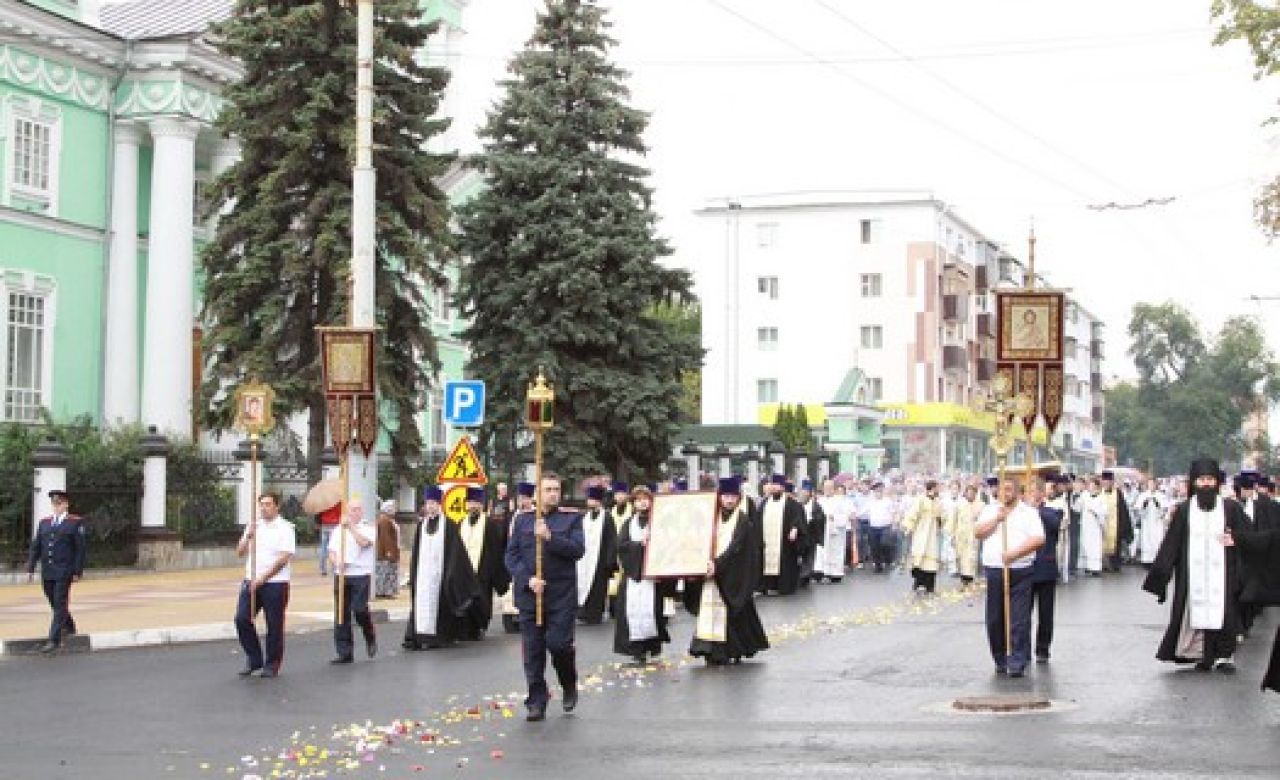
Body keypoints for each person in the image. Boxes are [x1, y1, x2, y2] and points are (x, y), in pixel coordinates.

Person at [1143, 457, 1245, 673]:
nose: (1206, 484)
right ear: (1194, 483)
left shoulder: (1230, 508)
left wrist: (1237, 539)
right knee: (1196, 614)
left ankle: (1225, 656)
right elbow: (1171, 544)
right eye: (1201, 480)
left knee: (1225, 613)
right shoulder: (1184, 510)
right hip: (1193, 574)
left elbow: (1248, 536)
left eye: (1210, 479)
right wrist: (1161, 578)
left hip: (1224, 574)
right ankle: (1205, 655)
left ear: (1217, 482)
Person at [504, 473, 585, 722]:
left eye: (556, 489)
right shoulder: (523, 521)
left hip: (561, 596)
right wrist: (527, 579)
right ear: (537, 493)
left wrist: (551, 537)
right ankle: (536, 701)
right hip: (530, 596)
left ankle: (568, 682)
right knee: (533, 651)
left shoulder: (571, 519)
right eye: (548, 489)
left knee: (559, 645)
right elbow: (511, 557)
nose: (553, 493)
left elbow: (577, 550)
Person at [686, 477, 770, 665]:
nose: (729, 500)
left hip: (734, 574)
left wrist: (718, 564)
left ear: (738, 498)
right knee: (709, 609)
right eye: (725, 496)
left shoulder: (742, 520)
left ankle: (735, 648)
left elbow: (737, 547)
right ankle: (710, 650)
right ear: (719, 497)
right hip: (710, 572)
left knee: (734, 610)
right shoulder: (710, 517)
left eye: (733, 497)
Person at [974, 478, 1045, 678]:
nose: (1004, 493)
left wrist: (1015, 554)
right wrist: (997, 519)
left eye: (1009, 489)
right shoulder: (990, 510)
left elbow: (1038, 538)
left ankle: (1017, 659)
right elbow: (978, 532)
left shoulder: (1028, 512)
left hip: (1020, 569)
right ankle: (999, 657)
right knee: (995, 618)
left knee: (1018, 618)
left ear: (1017, 491)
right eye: (1001, 489)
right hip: (995, 570)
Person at [402, 487, 484, 651]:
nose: (431, 507)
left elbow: (456, 553)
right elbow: (416, 553)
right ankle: (418, 636)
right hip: (424, 574)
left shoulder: (449, 525)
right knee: (421, 604)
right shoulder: (421, 526)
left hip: (441, 573)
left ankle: (439, 636)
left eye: (434, 503)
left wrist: (451, 573)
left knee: (442, 605)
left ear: (439, 504)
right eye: (428, 503)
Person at [234, 492, 295, 678]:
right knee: (242, 618)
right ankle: (254, 658)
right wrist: (248, 537)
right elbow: (239, 552)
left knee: (274, 625)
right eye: (262, 504)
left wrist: (263, 578)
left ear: (277, 506)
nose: (264, 508)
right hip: (250, 579)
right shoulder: (254, 526)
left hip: (275, 582)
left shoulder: (285, 528)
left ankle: (272, 663)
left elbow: (283, 558)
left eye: (268, 504)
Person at [613, 485, 673, 662]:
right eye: (638, 500)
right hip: (633, 575)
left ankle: (652, 646)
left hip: (652, 576)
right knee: (631, 612)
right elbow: (621, 546)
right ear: (634, 503)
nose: (642, 503)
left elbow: (668, 544)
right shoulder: (628, 524)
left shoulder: (659, 521)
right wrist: (640, 544)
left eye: (645, 499)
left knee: (652, 611)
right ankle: (635, 650)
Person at [26, 489, 86, 655]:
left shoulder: (75, 522)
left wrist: (77, 571)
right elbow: (36, 546)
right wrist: (31, 567)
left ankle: (53, 639)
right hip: (48, 570)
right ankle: (70, 626)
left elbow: (80, 549)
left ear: (66, 504)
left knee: (60, 602)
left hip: (64, 570)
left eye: (59, 503)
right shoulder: (45, 522)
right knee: (52, 599)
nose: (56, 506)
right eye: (54, 503)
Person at [327, 501, 377, 664]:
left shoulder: (368, 528)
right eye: (351, 510)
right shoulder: (337, 531)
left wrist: (351, 528)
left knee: (359, 609)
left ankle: (369, 633)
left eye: (357, 510)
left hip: (360, 574)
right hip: (342, 575)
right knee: (341, 613)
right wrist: (336, 562)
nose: (355, 513)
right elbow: (332, 551)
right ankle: (344, 651)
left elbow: (363, 543)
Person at [457, 486, 510, 640]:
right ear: (466, 504)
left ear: (481, 505)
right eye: (470, 502)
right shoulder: (460, 523)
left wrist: (493, 572)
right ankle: (464, 628)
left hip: (483, 571)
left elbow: (495, 549)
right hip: (464, 572)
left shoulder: (490, 524)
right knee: (465, 600)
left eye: (476, 503)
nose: (473, 506)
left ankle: (479, 627)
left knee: (481, 601)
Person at [755, 474, 808, 595]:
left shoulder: (791, 503)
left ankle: (783, 586)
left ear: (783, 487)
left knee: (784, 562)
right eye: (773, 485)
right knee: (765, 561)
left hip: (784, 543)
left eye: (777, 485)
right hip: (766, 543)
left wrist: (795, 528)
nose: (774, 488)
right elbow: (757, 521)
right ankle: (765, 586)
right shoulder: (764, 503)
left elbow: (798, 518)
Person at [1029, 479, 1063, 663]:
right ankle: (1022, 648)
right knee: (1023, 614)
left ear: (1042, 494)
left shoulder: (1052, 511)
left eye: (1036, 491)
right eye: (1030, 491)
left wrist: (1036, 510)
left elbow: (1054, 524)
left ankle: (1043, 649)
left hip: (1046, 568)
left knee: (1046, 614)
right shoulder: (1023, 513)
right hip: (1025, 568)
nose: (1033, 494)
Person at [577, 486, 618, 625]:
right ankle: (583, 613)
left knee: (598, 588)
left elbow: (612, 540)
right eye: (589, 499)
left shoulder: (606, 517)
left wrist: (610, 561)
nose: (590, 502)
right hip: (585, 558)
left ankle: (595, 614)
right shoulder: (585, 517)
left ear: (599, 501)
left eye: (593, 500)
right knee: (583, 584)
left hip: (600, 560)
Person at [500, 482, 536, 634]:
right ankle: (511, 620)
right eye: (520, 498)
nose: (522, 502)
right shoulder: (514, 515)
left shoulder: (536, 515)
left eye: (525, 499)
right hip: (514, 556)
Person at [900, 480, 945, 593]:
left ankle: (930, 585)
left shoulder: (938, 501)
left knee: (931, 560)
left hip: (932, 535)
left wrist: (941, 523)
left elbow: (942, 516)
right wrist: (908, 527)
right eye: (937, 488)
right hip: (921, 532)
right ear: (932, 488)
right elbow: (912, 514)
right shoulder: (920, 500)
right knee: (919, 558)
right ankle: (919, 582)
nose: (938, 490)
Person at [815, 479, 851, 582]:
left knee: (835, 552)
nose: (828, 490)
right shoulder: (819, 501)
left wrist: (834, 518)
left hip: (835, 532)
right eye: (826, 488)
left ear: (834, 489)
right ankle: (821, 573)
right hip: (822, 531)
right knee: (821, 553)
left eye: (830, 488)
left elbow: (846, 515)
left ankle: (835, 574)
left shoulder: (840, 500)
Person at [947, 483, 982, 586]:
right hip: (961, 536)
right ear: (965, 493)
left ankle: (971, 578)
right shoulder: (959, 504)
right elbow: (953, 520)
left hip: (974, 536)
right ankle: (963, 578)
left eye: (973, 493)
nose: (970, 495)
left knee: (972, 557)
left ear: (976, 494)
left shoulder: (981, 505)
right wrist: (952, 535)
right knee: (962, 558)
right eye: (969, 492)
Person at [1099, 470, 1134, 571]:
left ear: (1112, 482)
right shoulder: (1099, 492)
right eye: (1104, 481)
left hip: (1115, 523)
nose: (1106, 483)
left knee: (1116, 544)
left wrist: (1124, 525)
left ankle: (1115, 564)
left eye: (1108, 481)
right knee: (1102, 543)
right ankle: (1104, 564)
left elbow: (1123, 509)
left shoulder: (1117, 493)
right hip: (1103, 522)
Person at [797, 480, 826, 585]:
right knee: (800, 555)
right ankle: (800, 574)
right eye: (802, 492)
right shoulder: (797, 504)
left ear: (810, 493)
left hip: (811, 533)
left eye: (806, 492)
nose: (804, 494)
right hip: (800, 534)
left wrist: (813, 520)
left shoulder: (816, 506)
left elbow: (821, 518)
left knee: (810, 555)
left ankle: (806, 575)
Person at [1136, 478, 1168, 567]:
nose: (1151, 486)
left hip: (1157, 522)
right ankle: (1146, 561)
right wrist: (1144, 504)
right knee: (1146, 540)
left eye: (1153, 484)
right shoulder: (1143, 495)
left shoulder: (1161, 495)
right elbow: (1138, 509)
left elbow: (1164, 509)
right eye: (1150, 484)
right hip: (1146, 522)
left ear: (1156, 485)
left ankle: (1157, 560)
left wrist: (1157, 503)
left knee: (1157, 540)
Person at [375, 500, 401, 598]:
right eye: (393, 507)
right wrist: (388, 551)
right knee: (386, 571)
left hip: (390, 549)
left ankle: (386, 591)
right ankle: (384, 591)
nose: (395, 509)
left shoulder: (388, 519)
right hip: (386, 551)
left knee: (388, 571)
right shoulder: (384, 520)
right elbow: (385, 537)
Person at [1080, 476, 1106, 576]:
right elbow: (1078, 507)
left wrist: (1095, 512)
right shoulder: (1084, 496)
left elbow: (1104, 511)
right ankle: (1087, 566)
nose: (1090, 487)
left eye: (1091, 485)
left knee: (1095, 546)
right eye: (1089, 485)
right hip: (1086, 524)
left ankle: (1095, 568)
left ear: (1096, 486)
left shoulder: (1101, 497)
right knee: (1085, 544)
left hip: (1095, 526)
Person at [316, 501, 341, 576]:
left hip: (325, 525)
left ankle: (322, 569)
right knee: (334, 548)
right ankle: (334, 568)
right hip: (335, 525)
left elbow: (319, 513)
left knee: (323, 548)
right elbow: (340, 513)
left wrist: (318, 523)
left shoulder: (323, 501)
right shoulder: (338, 502)